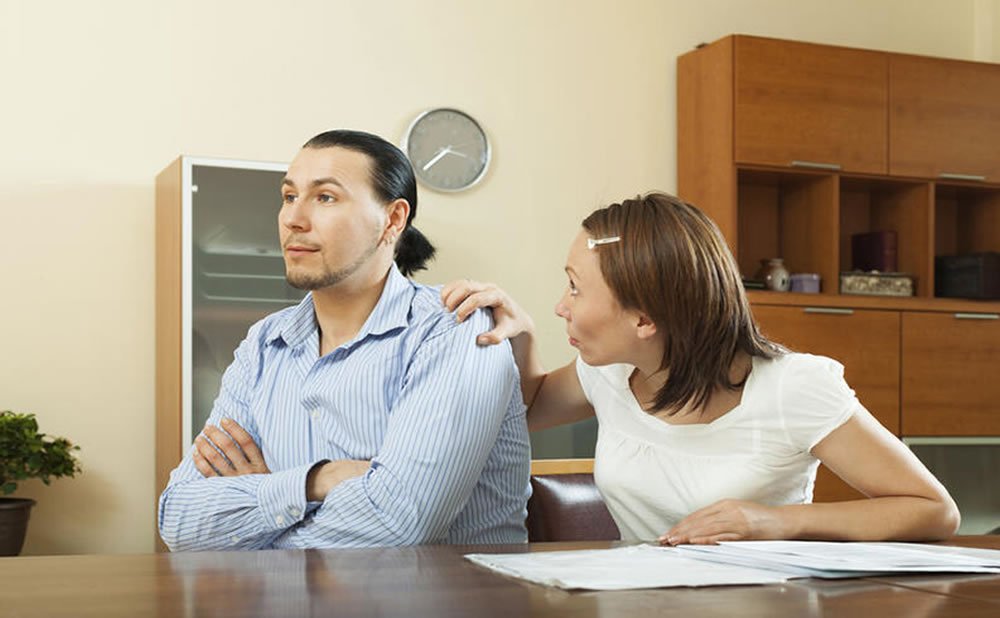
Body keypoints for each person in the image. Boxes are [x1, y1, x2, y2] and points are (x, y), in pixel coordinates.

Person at [442, 192, 960, 545]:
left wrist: (772, 522)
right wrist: (522, 332)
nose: (562, 306)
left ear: (645, 318)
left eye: (575, 288)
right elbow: (526, 410)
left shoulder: (794, 387)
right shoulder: (609, 373)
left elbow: (933, 510)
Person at [158, 130, 531, 551]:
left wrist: (259, 511)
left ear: (392, 220)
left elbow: (399, 524)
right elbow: (178, 520)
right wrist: (316, 481)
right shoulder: (265, 342)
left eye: (325, 198)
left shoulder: (453, 329)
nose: (293, 219)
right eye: (288, 196)